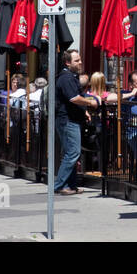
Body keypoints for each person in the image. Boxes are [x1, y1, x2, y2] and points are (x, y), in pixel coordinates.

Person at [53, 50, 99, 195]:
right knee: (72, 153)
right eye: (76, 60)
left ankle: (71, 185)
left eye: (80, 59)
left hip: (72, 119)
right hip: (67, 120)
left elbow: (74, 98)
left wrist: (83, 111)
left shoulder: (71, 77)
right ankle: (59, 185)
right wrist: (90, 102)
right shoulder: (66, 78)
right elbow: (74, 98)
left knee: (72, 153)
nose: (80, 62)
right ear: (68, 62)